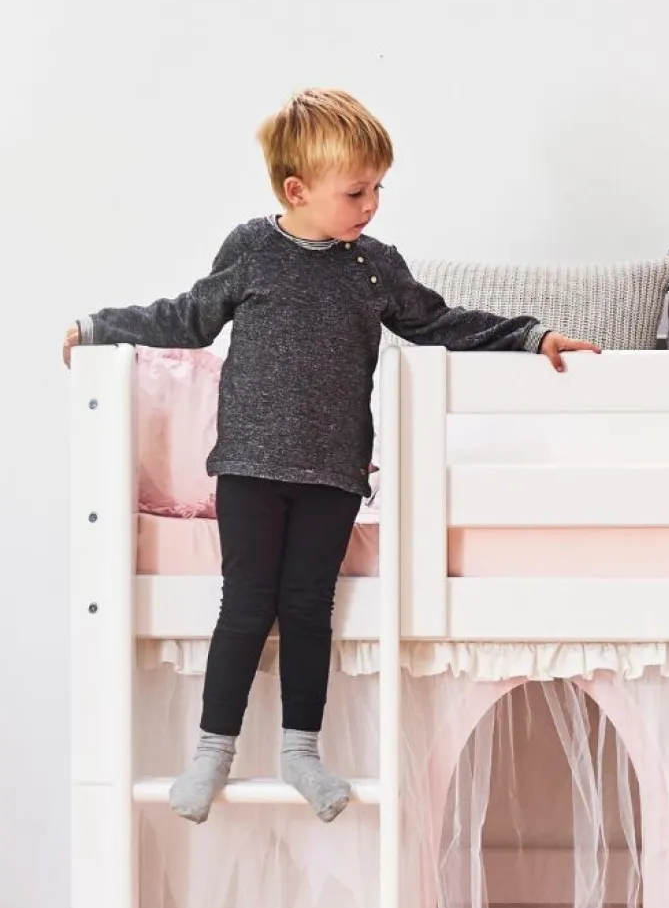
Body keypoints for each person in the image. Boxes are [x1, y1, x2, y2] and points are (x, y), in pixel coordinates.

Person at [66, 87, 598, 823]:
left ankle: (301, 751)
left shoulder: (374, 266)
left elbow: (437, 322)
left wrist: (530, 336)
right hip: (250, 467)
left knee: (308, 608)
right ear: (297, 190)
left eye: (378, 188)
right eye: (356, 191)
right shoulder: (252, 250)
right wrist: (100, 327)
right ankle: (212, 753)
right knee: (245, 606)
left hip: (334, 473)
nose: (371, 204)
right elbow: (188, 318)